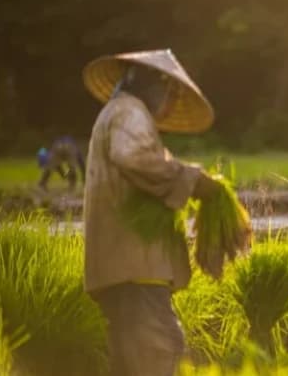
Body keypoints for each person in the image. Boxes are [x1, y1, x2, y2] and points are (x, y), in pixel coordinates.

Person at [81, 49, 222, 375]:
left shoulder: (116, 113)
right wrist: (192, 179)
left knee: (131, 362)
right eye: (171, 95)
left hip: (123, 268)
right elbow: (133, 158)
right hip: (136, 266)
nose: (171, 104)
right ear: (154, 87)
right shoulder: (130, 112)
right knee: (161, 350)